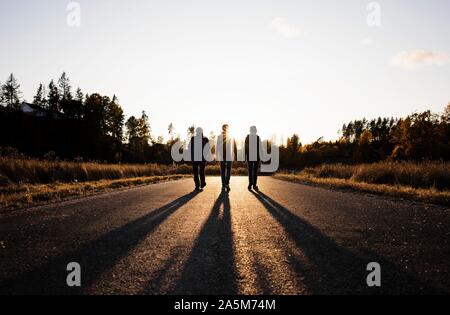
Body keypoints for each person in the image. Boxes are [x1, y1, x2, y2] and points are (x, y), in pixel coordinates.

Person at [216, 124, 237, 192]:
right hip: (223, 156)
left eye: (226, 128)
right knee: (225, 171)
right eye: (225, 128)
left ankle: (225, 184)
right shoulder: (220, 137)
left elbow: (234, 146)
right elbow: (217, 147)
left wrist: (235, 155)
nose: (225, 129)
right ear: (223, 129)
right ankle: (224, 184)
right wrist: (217, 157)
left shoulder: (231, 137)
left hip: (228, 156)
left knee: (226, 171)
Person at [245, 126, 262, 191]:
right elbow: (245, 147)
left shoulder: (253, 137)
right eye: (255, 130)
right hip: (254, 156)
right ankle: (253, 184)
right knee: (254, 171)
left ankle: (251, 184)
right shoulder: (255, 137)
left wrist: (244, 157)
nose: (255, 131)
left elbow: (260, 148)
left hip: (253, 156)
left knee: (251, 171)